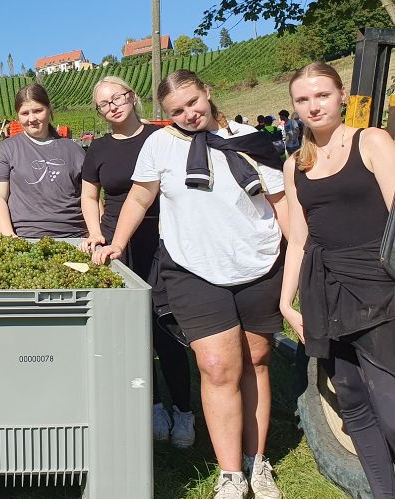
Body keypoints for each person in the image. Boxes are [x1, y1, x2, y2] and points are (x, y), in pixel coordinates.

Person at [94, 69, 289, 499]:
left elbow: (280, 203)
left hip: (258, 264)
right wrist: (116, 243)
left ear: (208, 91)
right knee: (218, 367)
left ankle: (258, 462)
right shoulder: (160, 145)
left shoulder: (251, 140)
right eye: (175, 111)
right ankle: (231, 474)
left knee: (256, 361)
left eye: (192, 103)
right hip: (192, 269)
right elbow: (140, 197)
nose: (188, 114)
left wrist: (299, 263)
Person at [280, 62, 395, 498]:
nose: (313, 106)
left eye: (322, 95)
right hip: (323, 288)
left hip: (379, 285)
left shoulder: (372, 141)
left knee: (391, 407)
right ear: (294, 107)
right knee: (351, 400)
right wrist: (286, 303)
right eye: (303, 99)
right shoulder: (296, 164)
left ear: (342, 95)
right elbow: (299, 240)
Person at [80, 76, 194, 447]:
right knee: (132, 332)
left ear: (132, 96)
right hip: (119, 246)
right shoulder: (97, 149)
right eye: (103, 104)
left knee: (168, 330)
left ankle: (183, 410)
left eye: (117, 97)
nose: (112, 105)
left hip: (163, 243)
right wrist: (96, 232)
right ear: (99, 112)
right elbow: (88, 196)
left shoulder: (162, 137)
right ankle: (153, 406)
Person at [0, 84, 86, 238]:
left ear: (49, 109)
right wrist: (10, 237)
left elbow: (90, 197)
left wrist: (96, 234)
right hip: (26, 237)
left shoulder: (74, 150)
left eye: (38, 110)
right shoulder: (5, 151)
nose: (31, 119)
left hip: (75, 236)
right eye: (25, 113)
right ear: (17, 115)